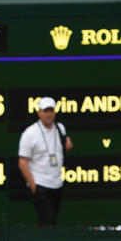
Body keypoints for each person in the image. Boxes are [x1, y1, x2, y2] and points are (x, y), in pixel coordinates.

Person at [18, 97, 73, 228]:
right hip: (41, 185)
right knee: (47, 223)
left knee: (52, 221)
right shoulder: (30, 133)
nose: (48, 114)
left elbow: (62, 148)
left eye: (51, 110)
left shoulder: (60, 128)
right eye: (45, 111)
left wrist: (68, 145)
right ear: (39, 113)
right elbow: (22, 162)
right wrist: (35, 188)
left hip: (57, 184)